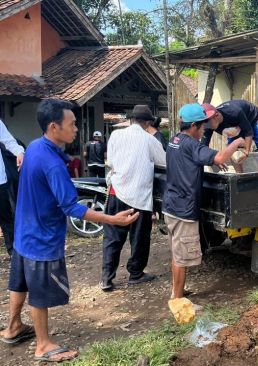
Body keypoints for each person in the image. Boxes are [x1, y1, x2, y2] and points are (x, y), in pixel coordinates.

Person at [0, 99, 138, 362]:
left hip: (24, 231)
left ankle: (13, 327)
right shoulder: (52, 163)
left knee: (20, 282)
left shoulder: (34, 147)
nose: (76, 128)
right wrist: (113, 219)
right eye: (72, 124)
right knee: (39, 291)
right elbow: (72, 208)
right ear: (54, 126)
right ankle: (43, 345)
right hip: (41, 236)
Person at [164, 104, 244, 299]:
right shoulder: (192, 145)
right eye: (202, 127)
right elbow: (219, 157)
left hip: (171, 205)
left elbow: (195, 160)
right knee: (182, 257)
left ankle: (178, 291)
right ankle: (177, 298)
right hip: (184, 209)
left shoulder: (174, 140)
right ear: (193, 126)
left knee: (177, 251)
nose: (203, 131)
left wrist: (213, 159)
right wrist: (237, 142)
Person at [100, 105, 166, 292]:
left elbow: (111, 162)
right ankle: (136, 273)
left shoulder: (115, 135)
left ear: (131, 120)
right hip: (139, 196)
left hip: (116, 191)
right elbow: (164, 162)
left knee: (113, 237)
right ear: (147, 123)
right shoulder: (149, 140)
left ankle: (106, 278)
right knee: (139, 237)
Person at [201, 100, 258, 172]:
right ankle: (240, 178)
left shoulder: (234, 112)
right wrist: (214, 160)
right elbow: (203, 148)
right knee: (231, 151)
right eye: (203, 123)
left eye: (207, 123)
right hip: (237, 125)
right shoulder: (207, 127)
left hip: (254, 118)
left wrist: (246, 152)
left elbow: (248, 132)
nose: (205, 126)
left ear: (216, 115)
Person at [0, 120, 24, 256]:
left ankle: (13, 251)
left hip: (0, 180)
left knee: (6, 217)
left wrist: (19, 152)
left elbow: (9, 141)